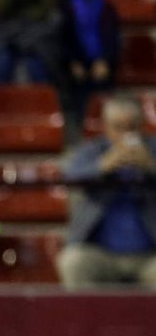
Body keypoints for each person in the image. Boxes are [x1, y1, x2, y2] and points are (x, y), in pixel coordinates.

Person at [58, 96, 156, 289]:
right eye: (118, 127)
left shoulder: (153, 149)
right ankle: (83, 320)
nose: (126, 134)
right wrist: (102, 167)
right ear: (106, 128)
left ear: (142, 126)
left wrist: (150, 167)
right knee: (73, 261)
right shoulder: (93, 151)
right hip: (102, 254)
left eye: (132, 127)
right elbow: (69, 176)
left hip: (150, 256)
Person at [61, 0, 120, 121]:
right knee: (80, 98)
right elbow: (64, 39)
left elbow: (112, 37)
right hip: (77, 64)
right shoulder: (65, 8)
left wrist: (104, 61)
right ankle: (84, 126)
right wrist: (73, 62)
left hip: (101, 64)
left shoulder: (107, 8)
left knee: (104, 97)